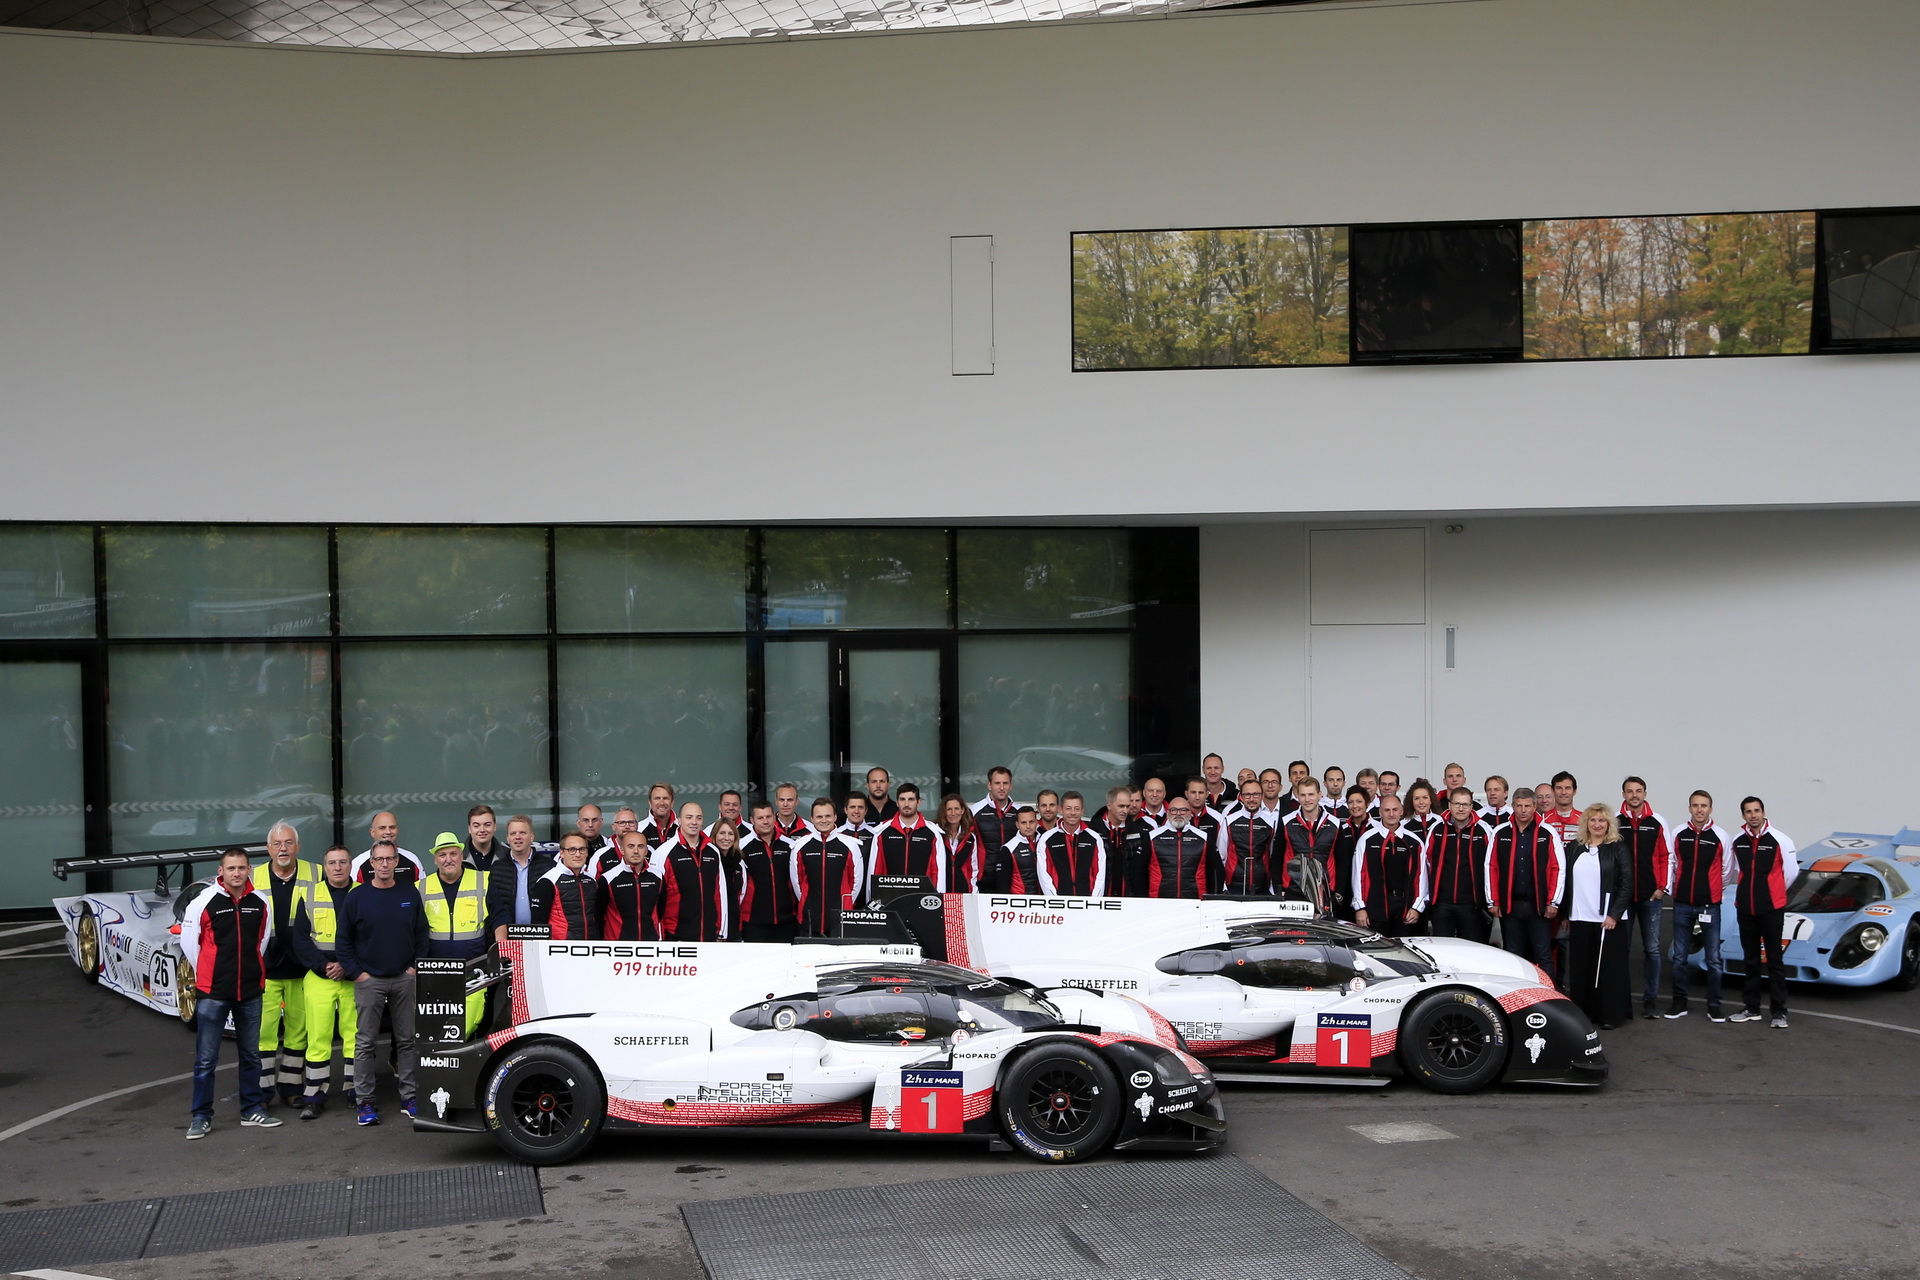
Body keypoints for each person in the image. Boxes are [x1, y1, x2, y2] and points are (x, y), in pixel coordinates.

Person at [181, 847, 279, 1139]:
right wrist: (210, 974)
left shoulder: (260, 902)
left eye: (242, 868)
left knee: (251, 1054)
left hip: (250, 990)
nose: (237, 873)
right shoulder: (202, 902)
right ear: (220, 871)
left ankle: (251, 1110)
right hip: (213, 991)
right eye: (231, 868)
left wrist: (250, 972)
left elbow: (261, 941)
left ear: (249, 870)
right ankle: (201, 1116)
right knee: (206, 1059)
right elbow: (190, 945)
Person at [335, 841, 428, 1127]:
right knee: (365, 1043)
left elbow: (422, 934)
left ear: (396, 862)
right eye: (379, 859)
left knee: (407, 1040)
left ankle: (410, 1097)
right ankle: (365, 1102)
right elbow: (343, 941)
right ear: (371, 864)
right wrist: (358, 974)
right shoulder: (357, 897)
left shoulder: (409, 893)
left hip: (403, 978)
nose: (385, 864)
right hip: (369, 980)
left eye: (389, 859)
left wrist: (413, 968)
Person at [286, 845, 356, 1120]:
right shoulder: (310, 893)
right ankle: (314, 1096)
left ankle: (356, 1091)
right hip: (319, 977)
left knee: (356, 1038)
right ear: (324, 867)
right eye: (332, 863)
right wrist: (323, 966)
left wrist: (346, 966)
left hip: (353, 977)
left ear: (350, 865)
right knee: (317, 1038)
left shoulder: (363, 892)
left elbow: (371, 936)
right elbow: (300, 939)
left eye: (342, 862)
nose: (337, 868)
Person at [252, 821, 316, 1108]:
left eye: (289, 843)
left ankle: (291, 1088)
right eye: (277, 844)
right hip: (265, 970)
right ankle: (262, 1093)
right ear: (268, 849)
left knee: (298, 1032)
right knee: (263, 1034)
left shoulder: (316, 872)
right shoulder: (253, 876)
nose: (283, 849)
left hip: (302, 968)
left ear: (298, 847)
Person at [1666, 790, 1735, 1020]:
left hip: (1710, 905)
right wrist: (1676, 890)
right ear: (1689, 808)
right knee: (1680, 957)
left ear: (1710, 809)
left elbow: (1727, 871)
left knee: (1713, 958)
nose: (1699, 809)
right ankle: (1679, 1003)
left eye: (1703, 805)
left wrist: (1712, 891)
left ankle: (1714, 1005)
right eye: (1695, 805)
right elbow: (1673, 864)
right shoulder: (1678, 833)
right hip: (1682, 904)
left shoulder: (1721, 836)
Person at [1730, 797, 1798, 1028]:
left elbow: (1791, 872)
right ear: (1743, 815)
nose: (1753, 815)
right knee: (1750, 960)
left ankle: (1779, 1012)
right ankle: (1751, 1008)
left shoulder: (1780, 839)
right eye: (1748, 812)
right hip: (1745, 909)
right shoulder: (1738, 841)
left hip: (1771, 909)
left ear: (1763, 812)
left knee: (1774, 960)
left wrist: (1774, 894)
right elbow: (1735, 871)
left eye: (1757, 810)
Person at [1563, 804, 1632, 1029]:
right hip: (1580, 917)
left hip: (1607, 920)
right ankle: (1584, 1014)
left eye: (1602, 820)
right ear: (1586, 823)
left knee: (1608, 971)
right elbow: (1566, 881)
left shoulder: (1618, 848)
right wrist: (1566, 913)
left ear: (1609, 824)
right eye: (1592, 820)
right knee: (1582, 968)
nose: (1597, 824)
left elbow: (1627, 884)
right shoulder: (1575, 847)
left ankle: (1610, 1015)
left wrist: (1614, 914)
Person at [1486, 791, 1565, 976]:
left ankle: (1548, 993)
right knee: (1514, 956)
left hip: (1538, 906)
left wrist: (1553, 902)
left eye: (1527, 806)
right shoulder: (1500, 832)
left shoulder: (1547, 832)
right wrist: (1493, 901)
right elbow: (1491, 867)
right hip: (1511, 907)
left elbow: (1558, 868)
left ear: (1534, 807)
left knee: (1543, 955)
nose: (1523, 810)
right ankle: (1520, 993)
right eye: (1519, 806)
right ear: (1512, 806)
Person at [421, 831, 489, 1035]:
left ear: (461, 856)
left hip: (474, 969)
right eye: (442, 855)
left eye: (453, 854)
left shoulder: (483, 880)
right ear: (435, 859)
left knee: (468, 1024)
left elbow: (499, 916)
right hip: (435, 972)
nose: (448, 859)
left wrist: (500, 949)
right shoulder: (421, 887)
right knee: (436, 1028)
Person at [1616, 777, 1673, 1018]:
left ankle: (1650, 1001)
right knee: (1622, 950)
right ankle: (1622, 1000)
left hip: (1651, 897)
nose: (1634, 795)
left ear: (1645, 793)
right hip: (1624, 898)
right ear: (1623, 794)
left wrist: (1662, 888)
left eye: (1638, 791)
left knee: (1652, 950)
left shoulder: (1657, 822)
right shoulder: (1616, 822)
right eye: (1629, 791)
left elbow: (1667, 856)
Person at [1421, 788, 1492, 943]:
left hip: (1472, 904)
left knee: (1471, 949)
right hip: (1442, 904)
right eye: (1457, 804)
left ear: (1472, 806)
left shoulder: (1483, 830)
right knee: (1442, 948)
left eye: (1465, 805)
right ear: (1449, 805)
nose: (1461, 808)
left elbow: (1491, 866)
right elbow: (1426, 864)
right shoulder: (1437, 828)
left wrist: (1488, 900)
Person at [650, 804, 729, 941]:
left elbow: (720, 892)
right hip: (675, 935)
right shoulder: (663, 853)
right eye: (689, 817)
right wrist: (659, 936)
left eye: (698, 818)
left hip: (709, 935)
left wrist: (722, 931)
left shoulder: (713, 851)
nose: (694, 822)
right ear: (679, 820)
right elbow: (654, 898)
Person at [791, 798, 864, 935]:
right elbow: (797, 882)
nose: (824, 820)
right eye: (819, 816)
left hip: (841, 917)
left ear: (835, 817)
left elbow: (856, 881)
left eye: (828, 816)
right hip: (809, 917)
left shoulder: (850, 845)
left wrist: (846, 904)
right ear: (812, 819)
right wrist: (807, 902)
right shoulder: (800, 845)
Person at [1354, 796, 1423, 936]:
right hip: (1374, 906)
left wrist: (1417, 907)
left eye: (1395, 810)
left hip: (1405, 908)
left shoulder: (1414, 841)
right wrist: (1359, 907)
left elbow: (1421, 877)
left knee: (1402, 947)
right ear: (1380, 812)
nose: (1391, 814)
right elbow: (1358, 875)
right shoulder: (1367, 839)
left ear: (1401, 811)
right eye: (1387, 810)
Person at [867, 783, 946, 896]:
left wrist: (937, 899)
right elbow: (875, 870)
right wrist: (874, 898)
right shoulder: (882, 832)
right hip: (890, 898)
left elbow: (938, 872)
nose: (906, 804)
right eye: (902, 799)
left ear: (918, 802)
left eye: (911, 799)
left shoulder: (933, 833)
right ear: (897, 802)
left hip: (922, 898)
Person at [736, 802, 799, 943]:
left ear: (774, 817)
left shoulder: (789, 845)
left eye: (768, 817)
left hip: (786, 922)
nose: (765, 821)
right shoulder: (741, 847)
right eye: (760, 818)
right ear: (752, 820)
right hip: (754, 923)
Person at [486, 815, 552, 943]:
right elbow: (491, 909)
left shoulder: (548, 867)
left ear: (531, 837)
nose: (517, 837)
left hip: (541, 938)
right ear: (507, 838)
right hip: (508, 939)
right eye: (513, 833)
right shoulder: (496, 869)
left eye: (522, 833)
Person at [1275, 779, 1339, 912]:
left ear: (1319, 795)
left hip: (1324, 891)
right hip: (1292, 891)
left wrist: (1337, 892)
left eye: (1311, 794)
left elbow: (1342, 860)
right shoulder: (1286, 821)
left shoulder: (1335, 823)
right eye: (1303, 795)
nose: (1307, 799)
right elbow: (1277, 856)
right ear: (1297, 796)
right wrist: (1279, 888)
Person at [1144, 798, 1216, 898]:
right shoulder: (1152, 837)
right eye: (1174, 810)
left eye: (1183, 810)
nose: (1178, 814)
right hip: (1159, 899)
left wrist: (1212, 897)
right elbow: (1140, 871)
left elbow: (1215, 870)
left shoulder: (1204, 837)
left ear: (1190, 814)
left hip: (1195, 899)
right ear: (1168, 813)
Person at [1039, 791, 1107, 897]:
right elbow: (1044, 875)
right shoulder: (1047, 839)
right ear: (1061, 809)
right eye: (1068, 808)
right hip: (1058, 902)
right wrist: (1055, 901)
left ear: (1082, 811)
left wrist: (1094, 901)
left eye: (1077, 808)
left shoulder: (1094, 838)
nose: (1073, 813)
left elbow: (1100, 874)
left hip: (1088, 901)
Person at [600, 829, 661, 941]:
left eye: (640, 846)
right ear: (622, 850)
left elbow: (662, 910)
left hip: (650, 943)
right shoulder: (608, 879)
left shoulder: (658, 877)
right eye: (631, 846)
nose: (636, 851)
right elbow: (599, 914)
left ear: (646, 851)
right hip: (618, 944)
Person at [1217, 781, 1275, 895]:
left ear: (1262, 796)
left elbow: (1273, 856)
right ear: (1241, 797)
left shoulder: (1271, 822)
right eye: (1247, 795)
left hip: (1262, 887)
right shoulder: (1229, 821)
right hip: (1233, 887)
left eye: (1256, 794)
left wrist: (1272, 888)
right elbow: (1221, 855)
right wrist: (1223, 886)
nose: (1251, 799)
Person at [1096, 786, 1151, 897]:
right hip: (1101, 895)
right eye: (1121, 806)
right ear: (1109, 805)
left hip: (1130, 896)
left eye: (1127, 806)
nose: (1125, 811)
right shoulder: (1094, 830)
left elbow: (1144, 869)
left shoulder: (1139, 832)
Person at [972, 766, 1020, 889]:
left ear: (1011, 786)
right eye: (997, 783)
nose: (1001, 788)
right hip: (985, 877)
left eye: (1005, 783)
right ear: (989, 785)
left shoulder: (1019, 812)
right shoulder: (974, 811)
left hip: (1014, 877)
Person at [1330, 786, 1373, 921]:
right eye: (1351, 802)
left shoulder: (1377, 828)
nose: (1355, 806)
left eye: (1359, 801)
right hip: (1346, 891)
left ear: (1367, 803)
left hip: (1370, 889)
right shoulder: (1341, 829)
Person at [352, 812, 423, 885]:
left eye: (392, 827)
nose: (388, 832)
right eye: (382, 828)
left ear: (397, 829)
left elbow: (421, 889)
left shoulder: (412, 859)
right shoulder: (358, 863)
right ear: (372, 832)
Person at [936, 793, 985, 892]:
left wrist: (973, 891)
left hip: (964, 891)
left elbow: (973, 867)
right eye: (949, 809)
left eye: (956, 809)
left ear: (962, 810)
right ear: (944, 812)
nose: (953, 813)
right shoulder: (937, 833)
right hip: (941, 891)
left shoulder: (970, 837)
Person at [1000, 806, 1052, 893]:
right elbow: (1003, 885)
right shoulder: (1009, 848)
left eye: (1031, 822)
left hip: (1046, 898)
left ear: (1036, 822)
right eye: (1023, 823)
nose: (1028, 826)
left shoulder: (1046, 841)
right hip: (1020, 899)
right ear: (1017, 825)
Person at [1541, 773, 1581, 848]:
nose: (1563, 792)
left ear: (1574, 791)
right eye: (1559, 788)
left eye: (1567, 788)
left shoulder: (1584, 819)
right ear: (1552, 791)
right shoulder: (1543, 819)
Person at [463, 804, 507, 871]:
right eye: (476, 826)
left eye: (487, 825)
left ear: (494, 826)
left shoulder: (508, 856)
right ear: (469, 828)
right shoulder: (458, 857)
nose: (482, 830)